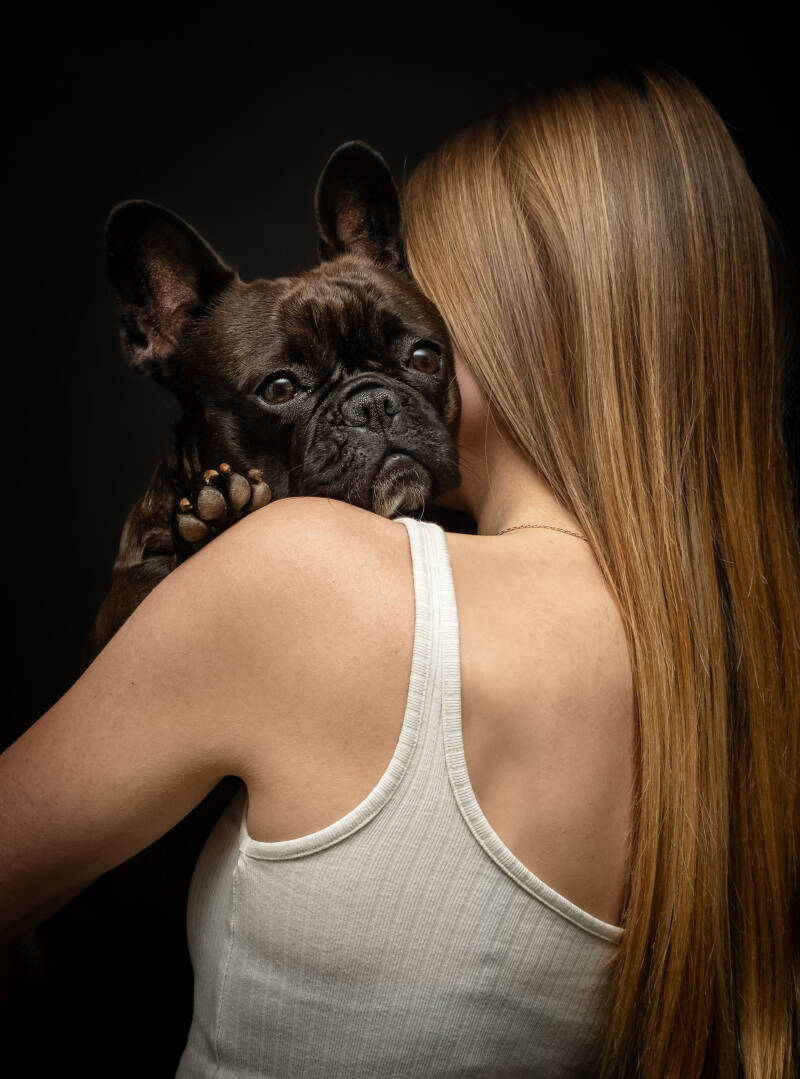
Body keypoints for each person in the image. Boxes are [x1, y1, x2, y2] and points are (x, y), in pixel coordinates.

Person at [2, 60, 798, 1079]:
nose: (377, 400)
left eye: (421, 337)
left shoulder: (300, 571)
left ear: (529, 324)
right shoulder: (736, 676)